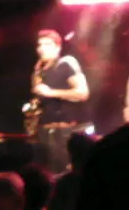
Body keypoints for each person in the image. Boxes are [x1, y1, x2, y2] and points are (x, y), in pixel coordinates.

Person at [31, 29, 90, 173]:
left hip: (64, 133)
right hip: (44, 132)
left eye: (47, 44)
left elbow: (83, 93)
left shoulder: (66, 63)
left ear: (58, 47)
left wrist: (51, 92)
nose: (42, 48)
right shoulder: (38, 71)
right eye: (39, 45)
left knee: (64, 173)